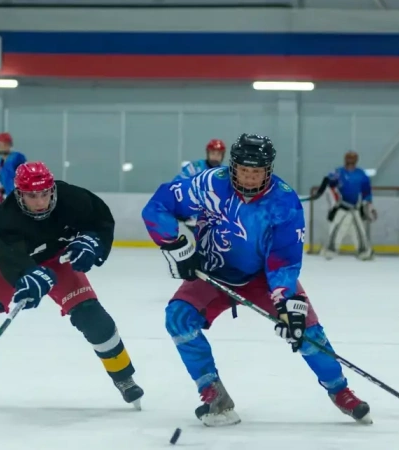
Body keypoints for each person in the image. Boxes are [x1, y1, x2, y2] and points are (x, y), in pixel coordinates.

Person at [140, 134, 371, 427]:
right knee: (178, 318)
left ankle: (340, 391)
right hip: (212, 272)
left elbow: (284, 259)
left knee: (307, 331)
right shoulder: (208, 183)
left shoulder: (284, 201)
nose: (250, 179)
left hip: (263, 278)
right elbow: (158, 206)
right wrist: (174, 245)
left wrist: (287, 302)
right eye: (244, 171)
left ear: (268, 170)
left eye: (257, 172)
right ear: (233, 167)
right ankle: (213, 393)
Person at [0, 161, 144, 410]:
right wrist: (26, 274)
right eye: (32, 196)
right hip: (12, 262)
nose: (40, 202)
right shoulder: (5, 218)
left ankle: (124, 379)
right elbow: (7, 255)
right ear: (20, 194)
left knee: (93, 318)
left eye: (45, 194)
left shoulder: (73, 198)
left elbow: (100, 221)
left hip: (59, 259)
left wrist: (92, 242)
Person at [321, 151, 377, 260]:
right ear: (345, 159)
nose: (350, 160)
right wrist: (331, 179)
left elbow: (367, 191)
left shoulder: (361, 174)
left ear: (356, 160)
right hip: (341, 207)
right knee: (335, 229)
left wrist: (369, 205)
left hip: (355, 208)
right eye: (348, 158)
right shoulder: (338, 172)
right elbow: (330, 185)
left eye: (353, 158)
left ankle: (364, 252)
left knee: (359, 231)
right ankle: (330, 250)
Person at [0, 132, 27, 205]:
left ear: (10, 145)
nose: (3, 147)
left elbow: (25, 177)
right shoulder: (0, 163)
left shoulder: (16, 157)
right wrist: (1, 190)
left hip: (21, 197)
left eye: (6, 144)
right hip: (11, 198)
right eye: (1, 144)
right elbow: (7, 181)